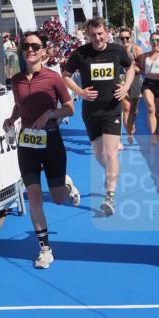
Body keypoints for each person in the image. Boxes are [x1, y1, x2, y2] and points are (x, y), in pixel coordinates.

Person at [3, 30, 80, 269]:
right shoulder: (15, 80)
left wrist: (50, 113)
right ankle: (45, 249)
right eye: (26, 46)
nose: (31, 50)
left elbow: (69, 109)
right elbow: (19, 106)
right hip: (27, 144)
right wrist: (10, 119)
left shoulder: (53, 78)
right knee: (34, 196)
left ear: (44, 52)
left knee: (57, 198)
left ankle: (66, 184)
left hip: (52, 142)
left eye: (36, 47)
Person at [63, 18, 133, 216]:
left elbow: (131, 67)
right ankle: (113, 171)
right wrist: (80, 92)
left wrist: (126, 87)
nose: (97, 38)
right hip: (90, 111)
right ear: (87, 34)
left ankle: (109, 196)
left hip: (112, 109)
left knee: (110, 154)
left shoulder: (117, 51)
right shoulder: (80, 53)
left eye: (100, 33)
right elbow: (66, 75)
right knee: (100, 155)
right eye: (93, 35)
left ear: (107, 32)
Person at [118, 29, 142, 145]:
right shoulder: (117, 50)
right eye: (122, 38)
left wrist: (132, 65)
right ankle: (129, 133)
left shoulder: (137, 49)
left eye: (127, 38)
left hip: (135, 79)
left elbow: (143, 69)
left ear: (131, 37)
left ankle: (131, 126)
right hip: (122, 79)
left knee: (134, 110)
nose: (125, 40)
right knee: (126, 108)